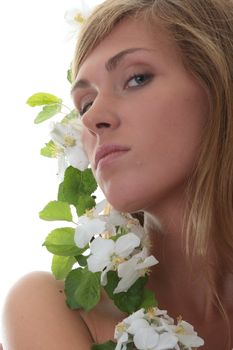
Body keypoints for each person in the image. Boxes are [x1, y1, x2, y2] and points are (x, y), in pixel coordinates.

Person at [2, 0, 233, 349]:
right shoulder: (60, 307)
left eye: (136, 78)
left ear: (221, 82)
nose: (92, 119)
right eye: (85, 103)